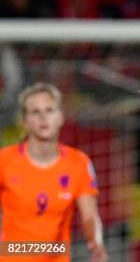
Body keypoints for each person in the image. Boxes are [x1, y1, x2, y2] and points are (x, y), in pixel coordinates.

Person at [0, 83, 107, 262]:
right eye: (35, 112)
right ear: (24, 121)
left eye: (49, 110)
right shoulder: (5, 160)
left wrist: (95, 241)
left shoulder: (78, 162)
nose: (43, 117)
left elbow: (90, 215)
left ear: (60, 117)